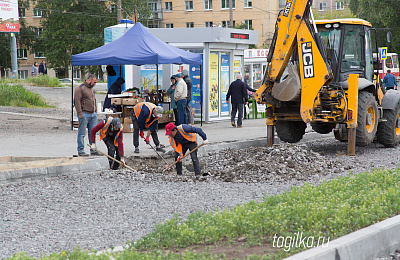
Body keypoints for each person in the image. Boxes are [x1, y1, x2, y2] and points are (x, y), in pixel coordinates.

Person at [74, 74, 100, 156]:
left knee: (92, 133)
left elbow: (94, 100)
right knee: (82, 133)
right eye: (94, 82)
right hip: (84, 113)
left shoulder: (92, 89)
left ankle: (93, 149)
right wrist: (80, 112)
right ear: (89, 80)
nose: (95, 84)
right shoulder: (80, 88)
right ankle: (81, 150)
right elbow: (77, 101)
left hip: (93, 114)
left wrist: (95, 110)